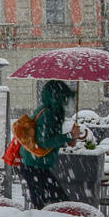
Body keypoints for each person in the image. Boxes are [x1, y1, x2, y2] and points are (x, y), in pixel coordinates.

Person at [19, 79, 81, 209]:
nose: (65, 100)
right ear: (57, 96)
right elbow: (45, 141)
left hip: (36, 165)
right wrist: (68, 136)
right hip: (35, 166)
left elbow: (49, 138)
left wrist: (68, 141)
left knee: (50, 204)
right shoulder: (48, 114)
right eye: (63, 96)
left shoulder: (50, 111)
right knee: (57, 204)